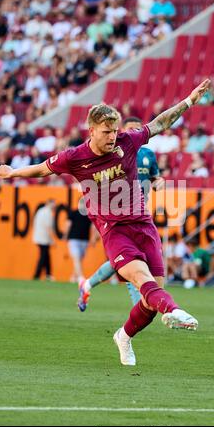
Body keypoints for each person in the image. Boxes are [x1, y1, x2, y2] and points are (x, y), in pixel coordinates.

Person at [0, 78, 210, 366]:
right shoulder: (75, 157)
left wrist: (188, 101)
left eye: (114, 131)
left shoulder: (128, 141)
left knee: (150, 297)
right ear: (92, 130)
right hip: (114, 231)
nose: (112, 137)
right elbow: (42, 169)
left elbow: (159, 124)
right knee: (143, 281)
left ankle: (123, 336)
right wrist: (12, 174)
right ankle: (175, 309)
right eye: (107, 132)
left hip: (144, 225)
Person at [78, 116, 165, 310]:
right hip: (117, 216)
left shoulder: (148, 155)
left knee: (119, 261)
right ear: (122, 131)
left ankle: (87, 284)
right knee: (130, 259)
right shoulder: (113, 153)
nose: (134, 132)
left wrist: (159, 182)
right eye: (130, 129)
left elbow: (156, 178)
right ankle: (140, 306)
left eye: (137, 128)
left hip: (140, 214)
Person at [63, 201, 94, 283]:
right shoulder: (73, 213)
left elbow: (92, 227)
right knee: (76, 258)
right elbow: (68, 224)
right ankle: (81, 277)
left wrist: (93, 238)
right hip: (74, 239)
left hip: (84, 240)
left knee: (79, 259)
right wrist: (66, 235)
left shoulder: (89, 215)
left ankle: (73, 277)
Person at [32, 199, 56, 280]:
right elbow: (48, 227)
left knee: (46, 256)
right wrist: (52, 240)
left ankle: (48, 274)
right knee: (43, 256)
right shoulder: (48, 213)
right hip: (44, 238)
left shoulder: (40, 211)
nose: (54, 206)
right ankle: (37, 275)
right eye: (53, 204)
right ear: (49, 203)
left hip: (38, 237)